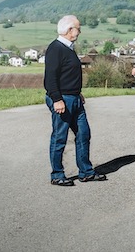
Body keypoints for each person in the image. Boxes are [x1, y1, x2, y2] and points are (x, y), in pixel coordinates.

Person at [44, 15, 107, 186]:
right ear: (69, 30)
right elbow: (50, 78)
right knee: (59, 137)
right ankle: (57, 174)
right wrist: (57, 99)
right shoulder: (55, 48)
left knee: (83, 134)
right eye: (78, 28)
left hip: (74, 98)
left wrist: (77, 93)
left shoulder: (68, 48)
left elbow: (67, 75)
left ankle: (86, 172)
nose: (80, 31)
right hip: (62, 99)